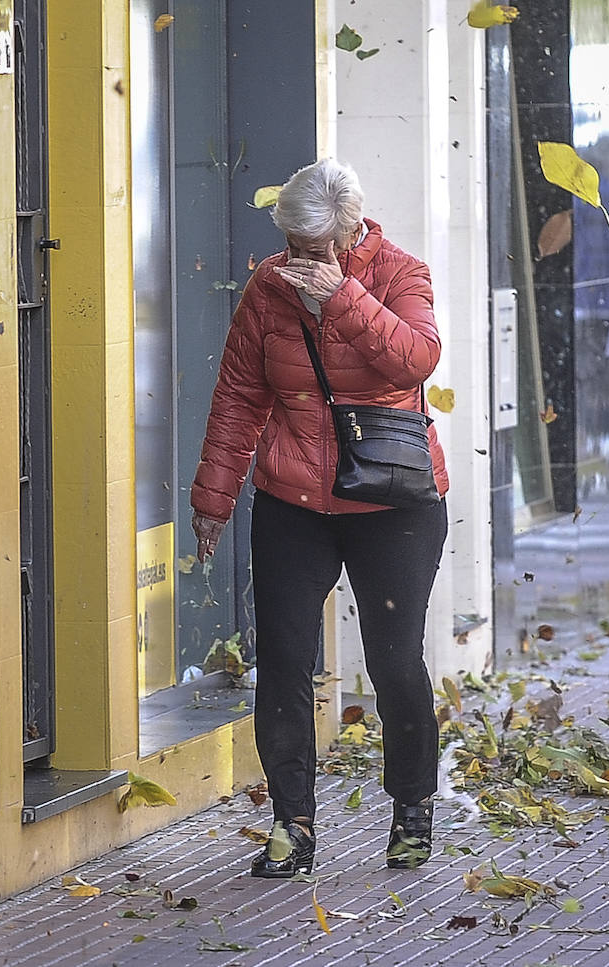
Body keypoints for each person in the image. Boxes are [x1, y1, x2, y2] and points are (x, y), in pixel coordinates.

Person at [190, 158, 449, 876]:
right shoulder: (268, 286)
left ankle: (412, 807)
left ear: (352, 231)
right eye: (294, 249)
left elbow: (417, 359)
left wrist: (342, 298)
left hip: (391, 501)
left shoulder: (401, 272)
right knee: (282, 662)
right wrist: (213, 497)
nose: (302, 263)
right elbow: (239, 392)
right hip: (293, 498)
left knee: (394, 658)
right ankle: (292, 825)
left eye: (318, 250)